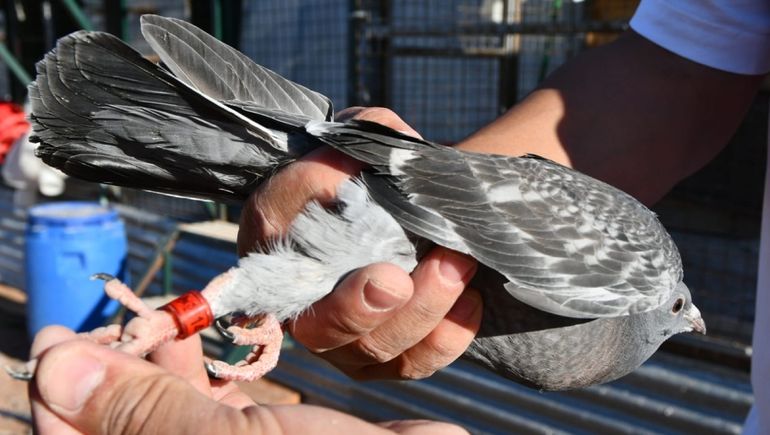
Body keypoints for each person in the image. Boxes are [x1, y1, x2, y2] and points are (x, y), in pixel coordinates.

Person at [28, 0, 768, 433]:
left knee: (375, 274)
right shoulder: (635, 273)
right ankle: (177, 315)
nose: (689, 314)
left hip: (395, 220)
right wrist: (380, 159)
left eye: (679, 307)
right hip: (393, 208)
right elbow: (680, 78)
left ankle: (173, 316)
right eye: (679, 303)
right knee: (375, 263)